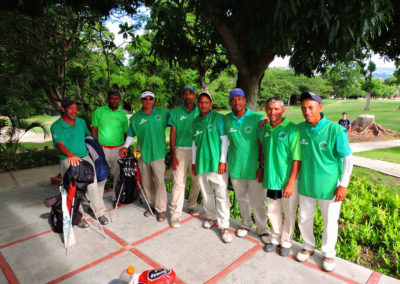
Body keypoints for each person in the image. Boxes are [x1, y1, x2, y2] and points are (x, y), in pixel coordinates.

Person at [296, 92, 353, 272]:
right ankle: (307, 246)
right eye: (303, 108)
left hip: (330, 187)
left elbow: (348, 159)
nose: (307, 111)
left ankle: (328, 253)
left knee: (330, 221)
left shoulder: (336, 130)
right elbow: (281, 127)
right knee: (304, 218)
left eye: (311, 107)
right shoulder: (299, 128)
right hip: (306, 183)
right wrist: (265, 122)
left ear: (320, 107)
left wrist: (343, 184)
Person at [50, 98, 109, 228]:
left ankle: (99, 212)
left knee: (92, 184)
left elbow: (88, 137)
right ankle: (78, 217)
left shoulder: (81, 122)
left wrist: (97, 150)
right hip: (68, 159)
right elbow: (59, 144)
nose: (74, 111)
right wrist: (70, 155)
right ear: (63, 109)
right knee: (73, 188)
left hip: (84, 157)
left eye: (76, 108)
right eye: (71, 108)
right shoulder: (56, 126)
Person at [223, 88, 269, 243]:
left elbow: (261, 144)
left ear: (244, 100)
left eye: (239, 98)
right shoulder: (226, 119)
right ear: (230, 102)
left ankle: (262, 229)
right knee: (242, 198)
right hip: (236, 166)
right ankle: (245, 224)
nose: (236, 102)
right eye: (233, 99)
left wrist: (261, 166)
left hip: (254, 167)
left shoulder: (257, 118)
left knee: (258, 200)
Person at [119, 90, 169, 222]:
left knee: (160, 182)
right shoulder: (135, 118)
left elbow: (176, 125)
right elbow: (130, 134)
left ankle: (161, 209)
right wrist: (125, 146)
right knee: (146, 183)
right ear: (141, 100)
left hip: (158, 153)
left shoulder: (163, 113)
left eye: (150, 98)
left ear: (154, 100)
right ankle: (151, 206)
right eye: (145, 99)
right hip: (142, 153)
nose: (148, 101)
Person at [261, 97, 301, 257]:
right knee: (272, 210)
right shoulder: (265, 128)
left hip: (288, 180)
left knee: (289, 212)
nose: (272, 112)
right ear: (265, 110)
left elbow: (297, 158)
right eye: (269, 109)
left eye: (276, 109)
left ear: (283, 110)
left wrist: (291, 182)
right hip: (271, 178)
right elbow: (263, 151)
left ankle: (286, 241)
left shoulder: (292, 129)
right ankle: (275, 238)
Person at [191, 92, 232, 243]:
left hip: (216, 165)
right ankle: (211, 217)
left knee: (221, 195)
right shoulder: (195, 121)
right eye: (200, 102)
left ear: (211, 104)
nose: (203, 105)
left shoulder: (218, 118)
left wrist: (222, 161)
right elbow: (194, 144)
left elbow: (224, 140)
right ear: (197, 104)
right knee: (206, 194)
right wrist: (194, 163)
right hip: (202, 164)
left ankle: (224, 226)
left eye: (206, 102)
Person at [168, 85, 201, 228]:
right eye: (185, 93)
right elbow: (173, 133)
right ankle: (175, 214)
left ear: (195, 96)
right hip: (181, 150)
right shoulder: (175, 112)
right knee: (178, 182)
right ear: (183, 96)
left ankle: (192, 205)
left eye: (191, 93)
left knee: (197, 180)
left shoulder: (201, 110)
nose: (188, 96)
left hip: (197, 150)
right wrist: (173, 153)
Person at [91, 90, 128, 208]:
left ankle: (115, 198)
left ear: (119, 100)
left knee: (118, 175)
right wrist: (95, 147)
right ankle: (96, 204)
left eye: (117, 98)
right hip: (103, 149)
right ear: (108, 99)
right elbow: (94, 129)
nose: (114, 101)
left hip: (119, 149)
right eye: (112, 98)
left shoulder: (122, 114)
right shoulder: (99, 111)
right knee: (101, 177)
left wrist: (126, 147)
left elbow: (126, 133)